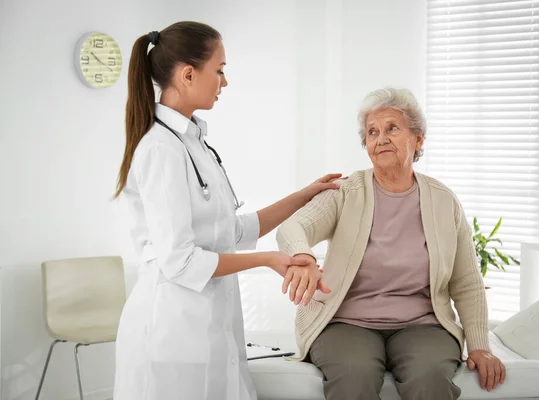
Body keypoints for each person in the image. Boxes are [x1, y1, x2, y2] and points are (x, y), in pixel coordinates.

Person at [113, 21, 336, 400]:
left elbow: (232, 232)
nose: (224, 82)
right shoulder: (160, 150)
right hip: (173, 329)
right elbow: (179, 261)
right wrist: (268, 259)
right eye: (219, 70)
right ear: (187, 74)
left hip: (210, 323)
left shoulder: (194, 143)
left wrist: (305, 195)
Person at [276, 87, 507, 400]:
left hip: (422, 325)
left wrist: (480, 346)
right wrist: (302, 254)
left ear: (419, 139)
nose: (381, 138)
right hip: (345, 322)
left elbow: (466, 281)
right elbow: (293, 227)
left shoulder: (443, 201)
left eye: (392, 128)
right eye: (372, 132)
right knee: (353, 379)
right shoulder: (346, 192)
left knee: (430, 379)